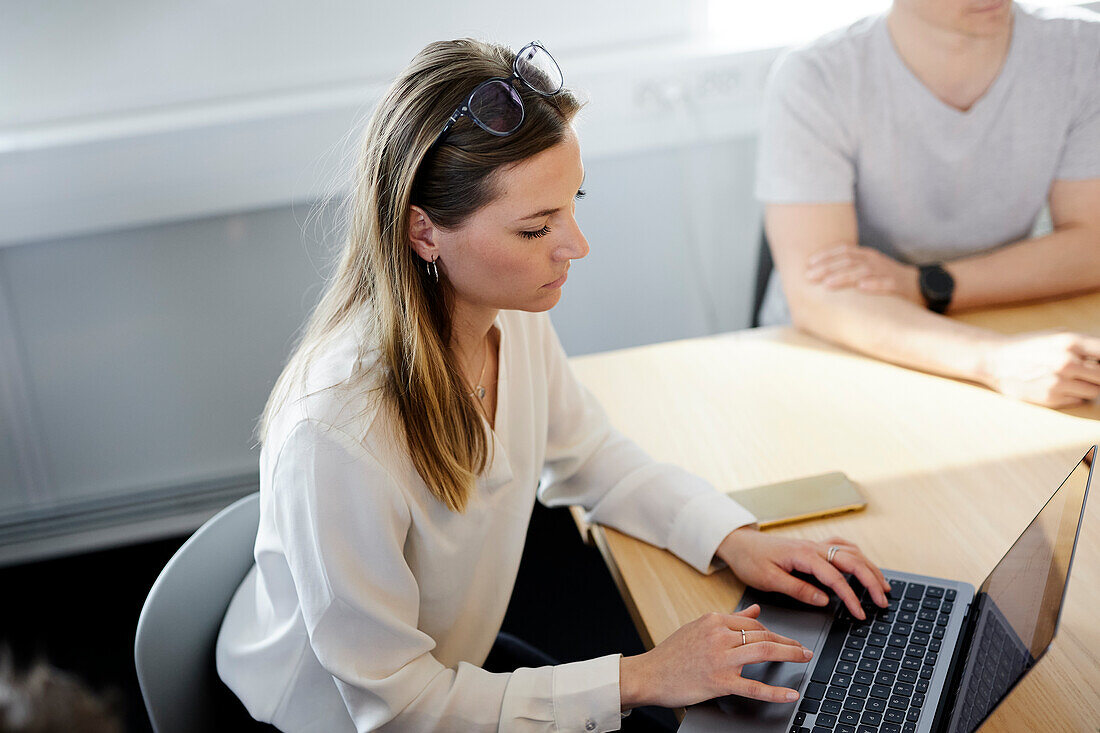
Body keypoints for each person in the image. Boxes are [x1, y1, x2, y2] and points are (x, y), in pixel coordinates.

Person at [216, 39, 891, 732]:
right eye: (537, 227)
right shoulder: (337, 434)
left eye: (573, 203)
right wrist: (644, 674)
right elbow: (398, 707)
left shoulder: (505, 313)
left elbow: (591, 455)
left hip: (447, 664)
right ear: (424, 231)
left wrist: (734, 537)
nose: (576, 245)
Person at [756, 0, 1100, 408]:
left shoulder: (1081, 48)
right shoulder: (816, 75)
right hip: (837, 351)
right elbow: (819, 298)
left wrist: (924, 286)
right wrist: (995, 360)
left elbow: (1092, 246)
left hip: (990, 317)